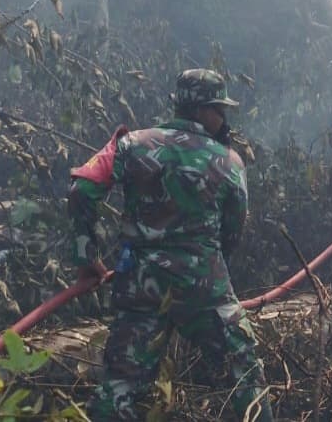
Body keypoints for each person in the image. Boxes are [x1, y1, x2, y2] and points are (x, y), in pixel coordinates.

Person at [67, 69, 273, 421]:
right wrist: (208, 266)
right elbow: (233, 232)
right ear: (204, 110)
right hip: (204, 286)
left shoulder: (129, 144)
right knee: (245, 372)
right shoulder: (230, 162)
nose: (224, 118)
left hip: (138, 286)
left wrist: (88, 257)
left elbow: (81, 192)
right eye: (220, 110)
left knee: (120, 387)